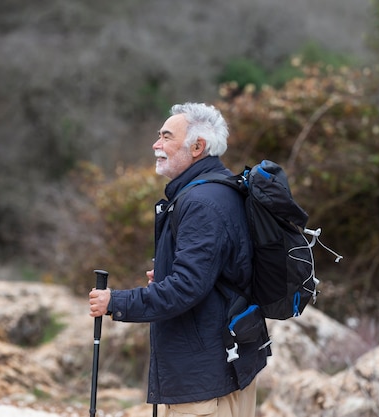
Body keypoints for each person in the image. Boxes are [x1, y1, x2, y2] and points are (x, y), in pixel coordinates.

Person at [89, 102, 269, 417]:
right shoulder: (224, 189)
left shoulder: (200, 202)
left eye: (166, 137)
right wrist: (169, 273)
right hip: (230, 365)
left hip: (203, 383)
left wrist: (114, 301)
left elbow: (186, 289)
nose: (156, 145)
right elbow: (218, 272)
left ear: (197, 147)